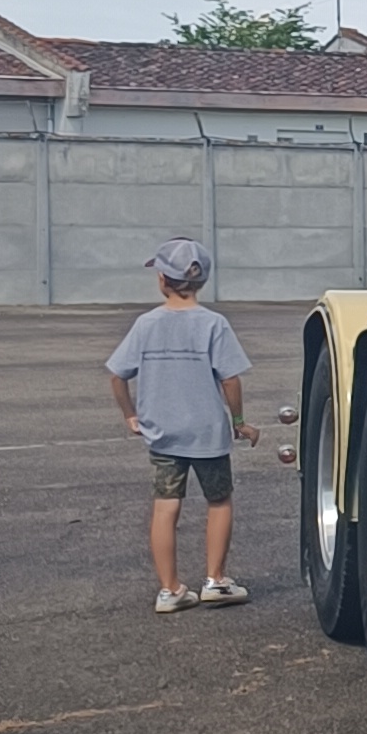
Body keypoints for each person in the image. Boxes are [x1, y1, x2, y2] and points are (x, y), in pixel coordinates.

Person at [107, 239, 259, 615]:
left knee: (165, 506)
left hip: (163, 434)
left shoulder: (146, 324)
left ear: (162, 279)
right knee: (219, 501)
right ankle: (216, 580)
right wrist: (239, 421)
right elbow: (230, 379)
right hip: (208, 434)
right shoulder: (214, 324)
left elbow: (117, 375)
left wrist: (130, 415)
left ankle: (170, 589)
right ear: (201, 281)